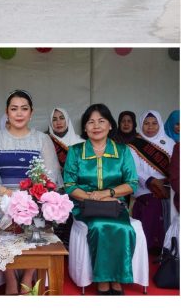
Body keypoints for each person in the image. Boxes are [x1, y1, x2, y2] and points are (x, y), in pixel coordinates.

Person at [0, 89, 63, 294]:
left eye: (24, 109)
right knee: (0, 223)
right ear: (6, 112)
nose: (19, 113)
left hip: (35, 198)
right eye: (14, 109)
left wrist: (32, 196)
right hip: (4, 197)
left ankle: (27, 275)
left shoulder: (42, 140)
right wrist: (6, 193)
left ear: (31, 113)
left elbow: (51, 175)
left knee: (41, 216)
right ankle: (10, 278)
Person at [63, 103, 138, 295]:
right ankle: (104, 279)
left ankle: (118, 277)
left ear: (111, 125)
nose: (96, 126)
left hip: (114, 205)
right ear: (85, 127)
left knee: (125, 228)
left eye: (101, 121)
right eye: (91, 122)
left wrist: (107, 194)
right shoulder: (76, 151)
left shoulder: (122, 151)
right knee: (98, 226)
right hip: (84, 205)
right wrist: (91, 197)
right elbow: (69, 185)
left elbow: (132, 183)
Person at [129, 110, 174, 252]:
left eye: (154, 123)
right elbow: (134, 169)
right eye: (146, 123)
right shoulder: (134, 144)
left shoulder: (170, 143)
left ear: (160, 124)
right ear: (141, 125)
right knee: (153, 203)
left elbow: (174, 167)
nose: (150, 127)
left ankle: (166, 247)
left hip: (168, 186)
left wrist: (165, 183)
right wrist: (151, 181)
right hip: (144, 187)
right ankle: (146, 247)